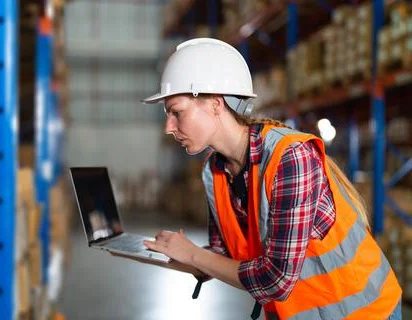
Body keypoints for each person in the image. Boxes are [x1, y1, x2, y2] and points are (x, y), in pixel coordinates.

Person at [140, 38, 402, 319]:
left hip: (363, 311)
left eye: (176, 113)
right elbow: (222, 255)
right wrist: (173, 254)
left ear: (216, 104)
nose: (168, 127)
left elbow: (275, 281)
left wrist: (193, 255)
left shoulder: (290, 158)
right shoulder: (213, 172)